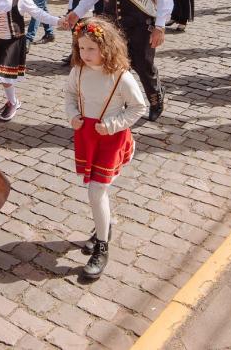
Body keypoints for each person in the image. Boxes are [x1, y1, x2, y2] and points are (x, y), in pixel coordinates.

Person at [64, 16, 147, 281]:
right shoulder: (77, 71)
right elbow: (69, 95)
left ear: (106, 47)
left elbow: (138, 107)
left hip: (110, 140)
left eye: (91, 48)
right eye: (81, 48)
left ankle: (102, 247)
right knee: (96, 191)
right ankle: (103, 228)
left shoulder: (121, 77)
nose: (85, 54)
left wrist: (113, 124)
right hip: (88, 136)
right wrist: (72, 114)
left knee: (96, 191)